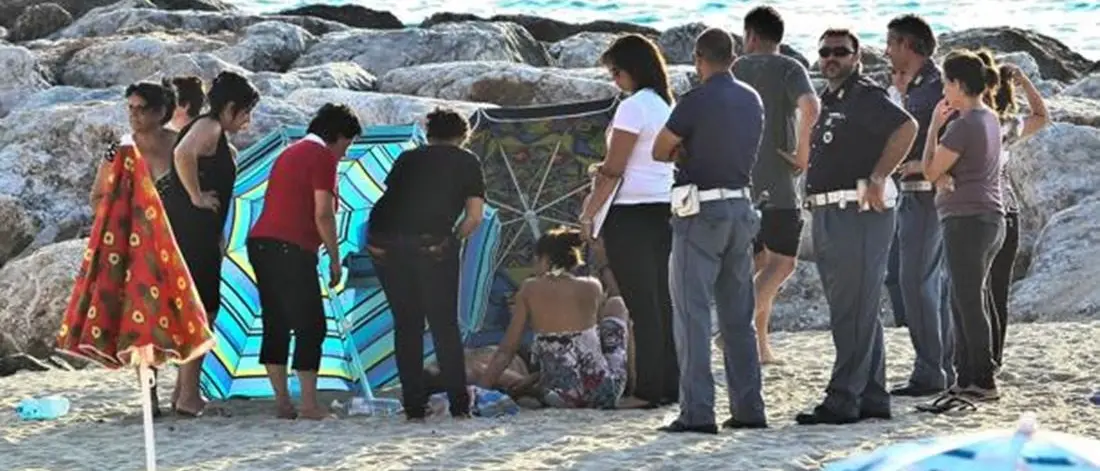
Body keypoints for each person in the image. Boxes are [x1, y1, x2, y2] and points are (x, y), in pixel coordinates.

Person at [796, 28, 918, 426]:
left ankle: (842, 399)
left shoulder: (865, 95)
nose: (830, 58)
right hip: (831, 212)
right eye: (825, 51)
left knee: (852, 310)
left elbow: (906, 128)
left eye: (840, 52)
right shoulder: (832, 98)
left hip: (859, 211)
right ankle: (872, 395)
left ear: (857, 56)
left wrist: (881, 175)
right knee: (858, 309)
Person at [651, 27, 768, 434]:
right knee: (739, 317)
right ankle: (750, 407)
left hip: (701, 211)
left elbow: (659, 148)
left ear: (700, 59)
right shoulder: (752, 98)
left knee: (692, 314)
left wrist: (684, 148)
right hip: (741, 205)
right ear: (733, 57)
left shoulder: (696, 100)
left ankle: (698, 412)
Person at [365, 108, 486, 421]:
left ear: (429, 134)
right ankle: (459, 405)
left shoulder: (408, 157)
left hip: (383, 241)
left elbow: (393, 197)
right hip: (431, 243)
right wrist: (452, 239)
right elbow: (474, 216)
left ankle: (414, 405)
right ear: (463, 135)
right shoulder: (467, 160)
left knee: (407, 324)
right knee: (444, 324)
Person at [578, 33, 677, 408]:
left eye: (616, 72)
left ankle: (649, 390)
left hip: (630, 212)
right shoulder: (665, 104)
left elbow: (615, 169)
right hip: (662, 206)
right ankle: (671, 383)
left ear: (631, 70)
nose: (614, 80)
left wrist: (589, 213)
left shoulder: (633, 107)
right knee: (663, 302)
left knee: (641, 304)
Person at [246, 103, 361, 420]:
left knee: (277, 321)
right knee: (311, 325)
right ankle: (309, 404)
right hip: (290, 246)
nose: (344, 154)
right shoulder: (322, 155)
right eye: (346, 145)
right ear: (337, 137)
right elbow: (322, 212)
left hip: (261, 243)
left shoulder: (290, 152)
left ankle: (283, 401)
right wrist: (335, 259)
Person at [159, 70, 259, 417]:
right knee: (203, 311)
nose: (248, 120)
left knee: (200, 309)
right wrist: (197, 196)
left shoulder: (218, 136)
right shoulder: (209, 126)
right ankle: (188, 395)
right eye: (245, 112)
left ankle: (182, 392)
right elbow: (183, 155)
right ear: (230, 107)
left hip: (199, 233)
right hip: (191, 231)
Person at [731, 6, 821, 364]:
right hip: (778, 184)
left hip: (740, 183)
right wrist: (802, 155)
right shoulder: (789, 67)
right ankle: (735, 330)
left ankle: (759, 347)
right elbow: (811, 107)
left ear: (750, 36)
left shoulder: (734, 69)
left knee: (758, 265)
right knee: (783, 265)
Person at [917, 51, 1006, 412]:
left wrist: (933, 129)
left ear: (957, 84)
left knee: (965, 302)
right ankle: (968, 378)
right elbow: (951, 170)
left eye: (945, 83)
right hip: (989, 217)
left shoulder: (963, 124)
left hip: (967, 220)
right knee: (971, 298)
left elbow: (928, 170)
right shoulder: (991, 118)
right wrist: (944, 174)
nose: (943, 90)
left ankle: (980, 380)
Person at [88, 80, 181, 417]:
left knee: (180, 317)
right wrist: (127, 215)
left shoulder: (179, 145)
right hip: (135, 247)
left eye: (142, 109)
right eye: (130, 108)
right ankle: (149, 397)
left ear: (161, 112)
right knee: (143, 321)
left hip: (178, 243)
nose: (134, 115)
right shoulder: (119, 150)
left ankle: (184, 394)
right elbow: (97, 197)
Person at [477, 228, 646, 409]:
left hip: (561, 395)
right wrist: (604, 263)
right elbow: (597, 344)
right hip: (603, 392)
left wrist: (481, 392)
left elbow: (506, 351)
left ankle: (536, 389)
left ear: (545, 259)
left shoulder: (529, 288)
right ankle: (632, 387)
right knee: (617, 304)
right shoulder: (592, 285)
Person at [884, 14, 955, 398]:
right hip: (915, 194)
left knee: (915, 281)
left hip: (926, 195)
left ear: (909, 46)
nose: (886, 51)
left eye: (891, 44)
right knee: (926, 282)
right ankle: (944, 363)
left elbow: (953, 132)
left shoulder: (934, 89)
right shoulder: (918, 85)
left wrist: (926, 166)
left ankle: (931, 371)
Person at [973, 51, 1049, 372]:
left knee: (981, 290)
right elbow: (1041, 115)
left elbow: (1042, 117)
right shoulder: (1004, 125)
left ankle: (985, 359)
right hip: (1007, 213)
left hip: (986, 215)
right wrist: (1025, 82)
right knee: (994, 290)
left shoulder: (981, 124)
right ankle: (993, 359)